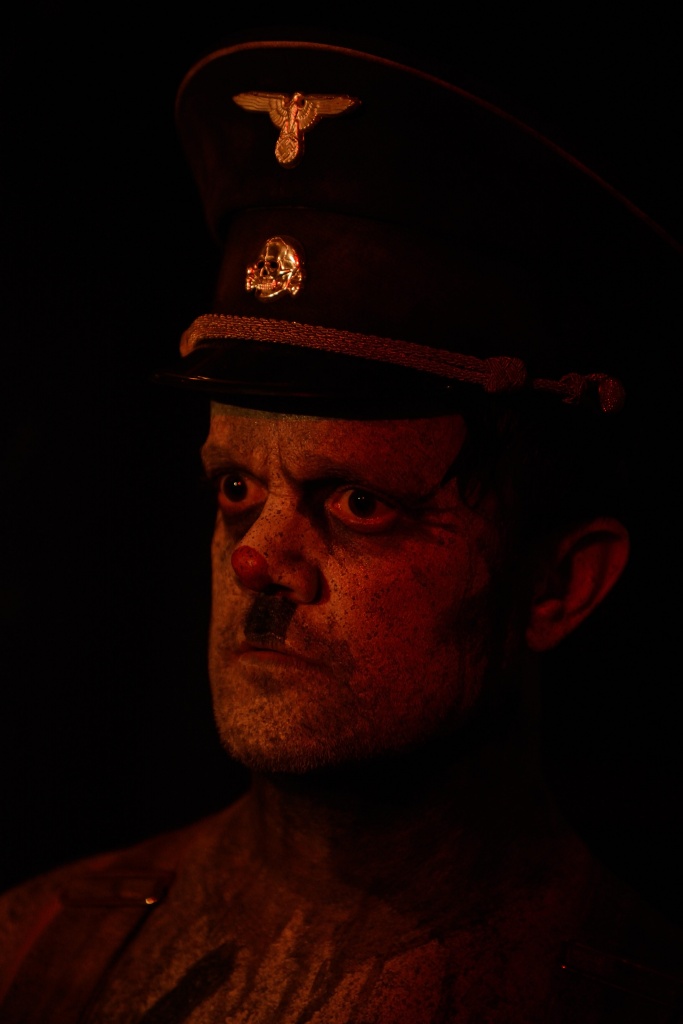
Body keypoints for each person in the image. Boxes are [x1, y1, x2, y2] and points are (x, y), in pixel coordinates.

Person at [1, 26, 682, 1023]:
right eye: (237, 488)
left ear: (557, 584)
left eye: (357, 503)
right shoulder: (40, 951)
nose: (255, 558)